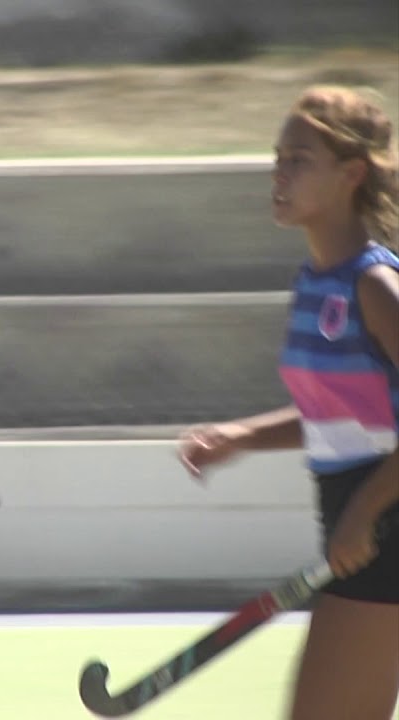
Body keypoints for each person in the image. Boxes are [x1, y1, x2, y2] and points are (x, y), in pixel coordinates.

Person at [178, 85, 399, 719]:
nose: (278, 173)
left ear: (350, 174)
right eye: (277, 157)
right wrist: (242, 436)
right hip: (357, 524)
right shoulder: (316, 284)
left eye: (298, 160)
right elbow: (350, 420)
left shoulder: (375, 286)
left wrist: (363, 516)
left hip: (382, 528)